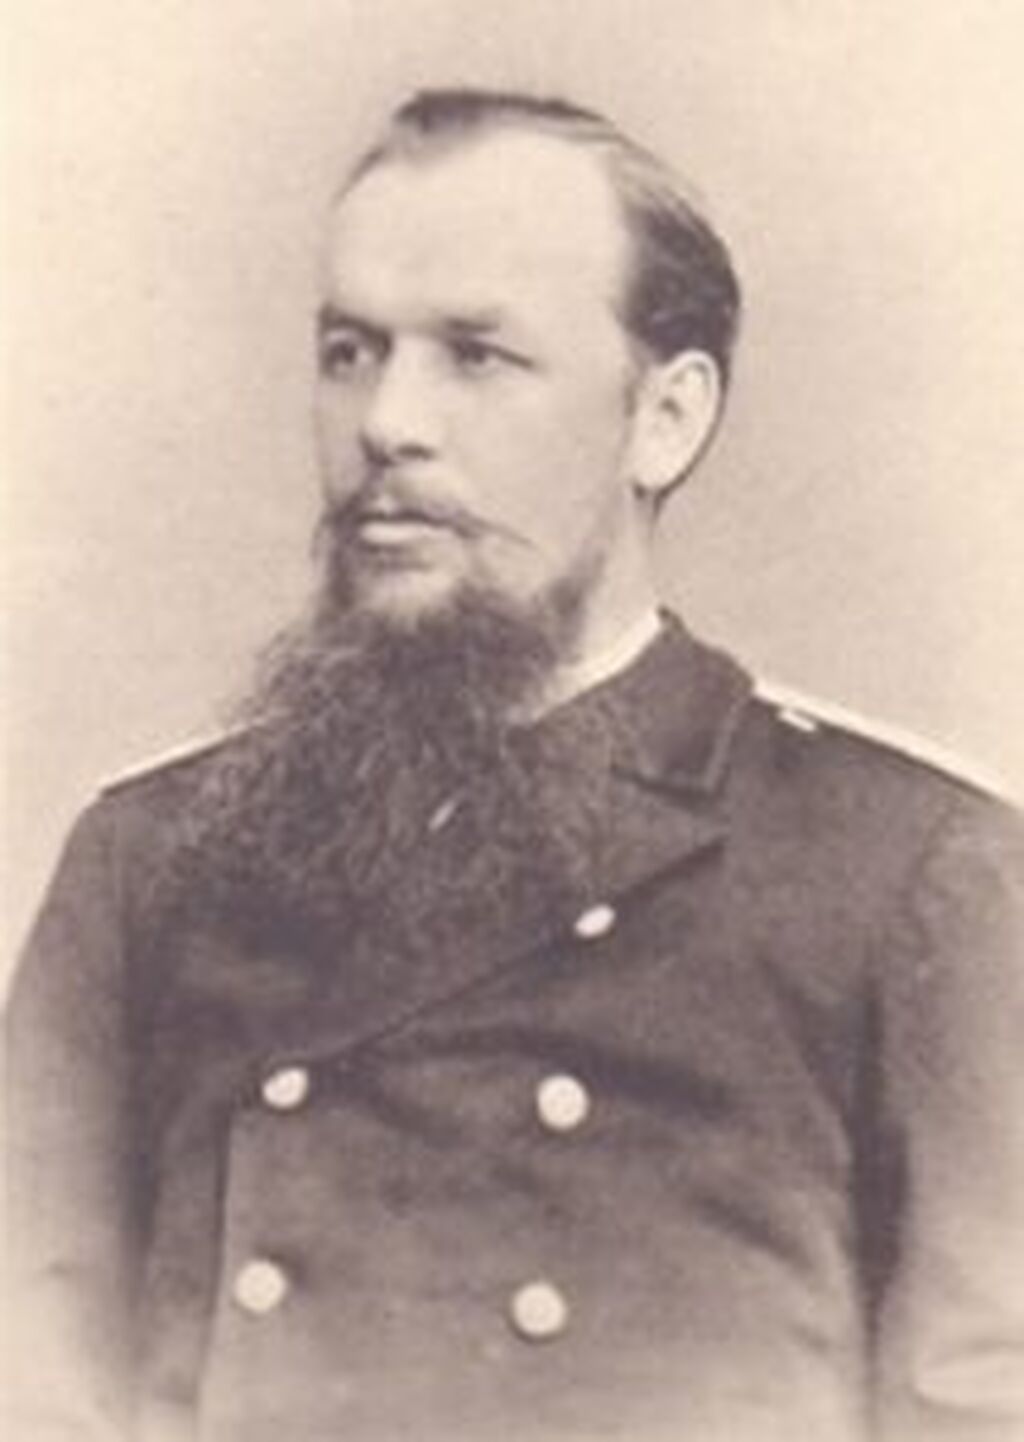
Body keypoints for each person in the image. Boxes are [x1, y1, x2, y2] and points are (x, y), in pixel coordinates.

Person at [6, 88, 1023, 1442]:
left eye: (477, 356)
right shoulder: (149, 862)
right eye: (350, 351)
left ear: (665, 419)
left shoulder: (912, 876)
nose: (387, 422)